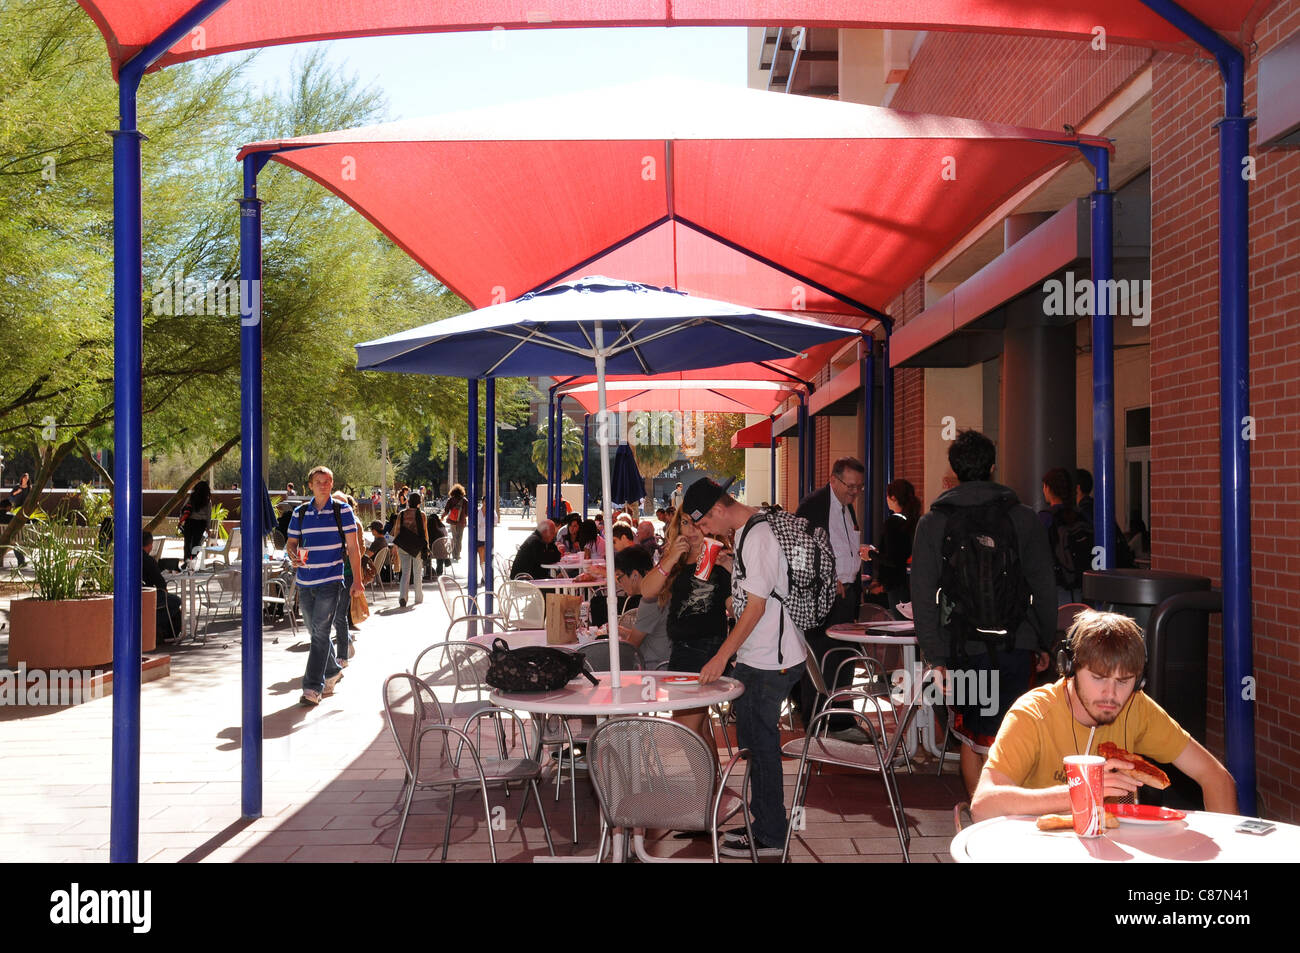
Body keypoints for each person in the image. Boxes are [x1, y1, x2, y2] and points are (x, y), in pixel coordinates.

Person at [971, 609, 1237, 821]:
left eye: (1124, 681)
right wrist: (1079, 791)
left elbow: (1215, 776)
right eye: (1098, 678)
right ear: (1069, 667)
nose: (1111, 694)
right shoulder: (1033, 714)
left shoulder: (1137, 706)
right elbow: (983, 805)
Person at [911, 429, 1057, 795]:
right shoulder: (1024, 519)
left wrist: (935, 655)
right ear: (993, 467)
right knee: (1013, 734)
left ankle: (982, 817)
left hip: (962, 647)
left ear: (954, 471)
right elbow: (1043, 586)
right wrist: (1044, 641)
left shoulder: (933, 523)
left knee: (972, 738)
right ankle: (1009, 817)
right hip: (1017, 643)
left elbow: (923, 594)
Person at [691, 478, 807, 859]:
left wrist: (722, 655)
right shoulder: (744, 533)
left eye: (705, 524)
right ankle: (764, 822)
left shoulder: (757, 536)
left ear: (719, 510)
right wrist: (730, 571)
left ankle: (772, 834)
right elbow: (755, 594)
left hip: (769, 661)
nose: (706, 533)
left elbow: (757, 607)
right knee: (756, 746)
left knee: (762, 747)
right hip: (759, 657)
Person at [637, 503, 733, 739]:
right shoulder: (677, 560)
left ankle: (705, 776)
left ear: (708, 526)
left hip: (704, 647)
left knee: (686, 731)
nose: (691, 530)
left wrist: (732, 570)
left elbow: (736, 607)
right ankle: (711, 777)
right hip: (682, 648)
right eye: (685, 522)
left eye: (697, 524)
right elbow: (646, 591)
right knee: (698, 730)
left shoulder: (720, 558)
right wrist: (669, 559)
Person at [793, 456, 866, 732]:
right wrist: (827, 577)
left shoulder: (847, 508)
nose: (855, 492)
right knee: (822, 659)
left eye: (859, 487)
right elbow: (800, 550)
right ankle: (819, 719)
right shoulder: (813, 506)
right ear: (833, 480)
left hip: (846, 595)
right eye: (850, 486)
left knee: (845, 658)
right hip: (823, 598)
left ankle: (842, 718)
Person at [285, 466, 363, 706]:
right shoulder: (299, 513)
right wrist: (293, 556)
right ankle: (331, 670)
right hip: (305, 582)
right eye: (318, 481)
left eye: (327, 481)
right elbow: (291, 543)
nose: (323, 485)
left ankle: (312, 688)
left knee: (320, 632)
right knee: (314, 631)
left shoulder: (343, 511)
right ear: (310, 485)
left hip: (331, 580)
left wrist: (357, 581)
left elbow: (353, 548)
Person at [863, 477, 921, 614]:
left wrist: (870, 554)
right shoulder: (914, 521)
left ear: (893, 498)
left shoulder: (893, 523)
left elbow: (892, 559)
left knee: (899, 624)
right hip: (913, 581)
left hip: (897, 584)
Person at [613, 546, 671, 671]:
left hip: (653, 670)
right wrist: (619, 630)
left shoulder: (651, 599)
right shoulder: (663, 590)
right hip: (664, 662)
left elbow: (631, 646)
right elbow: (646, 636)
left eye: (619, 576)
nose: (618, 582)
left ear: (634, 575)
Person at [1040, 466, 1089, 605]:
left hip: (1057, 585)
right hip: (1080, 586)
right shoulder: (1080, 515)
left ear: (1048, 488)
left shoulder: (1045, 518)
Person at [331, 492, 364, 664]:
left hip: (348, 573)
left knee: (339, 614)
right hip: (330, 574)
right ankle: (347, 641)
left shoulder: (354, 523)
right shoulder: (328, 521)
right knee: (332, 616)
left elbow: (360, 548)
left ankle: (342, 655)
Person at [141, 530, 183, 643]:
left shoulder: (131, 559)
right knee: (177, 601)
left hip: (139, 594)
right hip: (148, 595)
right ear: (150, 545)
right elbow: (159, 582)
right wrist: (164, 589)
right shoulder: (148, 560)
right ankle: (155, 623)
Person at [393, 492, 429, 608]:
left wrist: (395, 546)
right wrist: (426, 546)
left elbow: (397, 531)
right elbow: (425, 532)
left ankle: (403, 597)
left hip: (403, 545)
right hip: (417, 547)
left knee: (405, 572)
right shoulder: (422, 515)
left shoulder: (402, 514)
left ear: (408, 501)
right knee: (417, 572)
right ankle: (418, 598)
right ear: (419, 502)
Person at [178, 480, 212, 563]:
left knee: (187, 543)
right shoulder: (207, 501)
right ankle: (192, 561)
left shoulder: (191, 498)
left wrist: (181, 520)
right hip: (201, 524)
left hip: (190, 522)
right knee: (196, 543)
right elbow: (208, 515)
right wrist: (208, 528)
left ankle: (186, 561)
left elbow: (183, 509)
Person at [443, 484, 467, 561]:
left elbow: (446, 510)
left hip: (452, 522)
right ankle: (458, 554)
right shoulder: (464, 501)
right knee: (459, 538)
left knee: (454, 537)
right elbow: (468, 512)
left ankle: (454, 554)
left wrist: (442, 517)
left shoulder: (450, 500)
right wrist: (462, 516)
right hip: (461, 522)